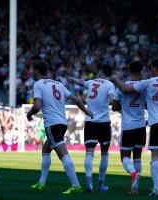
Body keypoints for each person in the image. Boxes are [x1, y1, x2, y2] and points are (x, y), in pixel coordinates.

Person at [111, 58, 158, 196]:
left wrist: (114, 78)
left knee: (155, 155)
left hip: (157, 123)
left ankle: (156, 189)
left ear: (155, 69)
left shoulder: (149, 82)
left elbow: (125, 89)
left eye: (152, 68)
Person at [27, 61, 93, 194]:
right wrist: (87, 112)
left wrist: (29, 114)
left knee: (63, 154)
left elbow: (37, 105)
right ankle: (41, 183)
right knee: (46, 149)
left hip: (52, 124)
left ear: (37, 71)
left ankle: (76, 185)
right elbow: (77, 100)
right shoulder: (58, 84)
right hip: (62, 123)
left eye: (33, 69)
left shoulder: (38, 84)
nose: (32, 72)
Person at [67, 64, 115, 192]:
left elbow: (82, 82)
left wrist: (73, 79)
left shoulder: (92, 82)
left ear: (100, 72)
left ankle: (89, 183)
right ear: (109, 75)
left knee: (89, 152)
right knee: (104, 153)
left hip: (90, 121)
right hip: (104, 122)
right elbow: (111, 99)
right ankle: (100, 185)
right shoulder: (110, 85)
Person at [112, 61, 146, 195]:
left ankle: (133, 174)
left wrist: (124, 110)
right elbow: (148, 105)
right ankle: (135, 188)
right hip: (141, 125)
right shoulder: (144, 86)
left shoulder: (122, 86)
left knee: (124, 157)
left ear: (129, 71)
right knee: (137, 157)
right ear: (141, 71)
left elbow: (114, 106)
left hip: (127, 126)